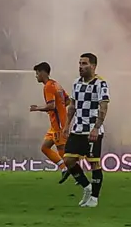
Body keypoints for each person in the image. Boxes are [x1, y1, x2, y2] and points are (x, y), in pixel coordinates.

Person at [63, 52, 109, 208]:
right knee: (68, 160)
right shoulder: (76, 83)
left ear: (93, 66)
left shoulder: (100, 84)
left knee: (94, 163)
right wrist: (67, 125)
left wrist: (96, 128)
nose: (81, 67)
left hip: (91, 130)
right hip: (77, 129)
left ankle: (94, 198)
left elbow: (103, 107)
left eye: (84, 64)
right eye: (80, 63)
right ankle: (87, 187)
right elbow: (72, 106)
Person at [29, 61, 71, 179]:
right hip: (56, 124)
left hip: (58, 125)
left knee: (62, 151)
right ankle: (64, 169)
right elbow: (67, 100)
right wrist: (60, 108)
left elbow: (51, 106)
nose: (36, 76)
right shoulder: (56, 84)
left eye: (37, 73)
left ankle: (78, 176)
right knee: (45, 148)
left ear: (43, 73)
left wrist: (37, 108)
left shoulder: (48, 86)